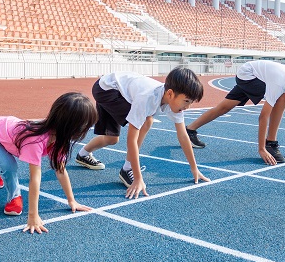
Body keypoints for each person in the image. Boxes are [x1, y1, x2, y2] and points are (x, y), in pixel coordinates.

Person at [75, 67, 210, 198]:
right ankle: (127, 169)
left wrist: (194, 169)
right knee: (147, 121)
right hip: (107, 90)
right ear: (169, 93)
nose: (187, 107)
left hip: (113, 87)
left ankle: (83, 154)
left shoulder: (175, 102)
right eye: (186, 101)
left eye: (191, 102)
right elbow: (131, 139)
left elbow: (183, 135)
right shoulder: (147, 98)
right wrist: (138, 178)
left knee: (111, 139)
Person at [0, 92, 98, 234]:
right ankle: (14, 197)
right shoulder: (35, 140)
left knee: (4, 155)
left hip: (9, 138)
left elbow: (60, 170)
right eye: (84, 126)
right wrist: (33, 216)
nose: (85, 130)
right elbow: (35, 178)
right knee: (9, 165)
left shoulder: (60, 139)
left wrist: (71, 201)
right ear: (71, 125)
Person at [185, 60, 285, 165]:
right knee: (282, 97)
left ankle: (190, 130)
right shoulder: (280, 83)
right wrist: (261, 149)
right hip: (249, 75)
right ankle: (271, 144)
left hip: (253, 74)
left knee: (224, 108)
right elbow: (263, 116)